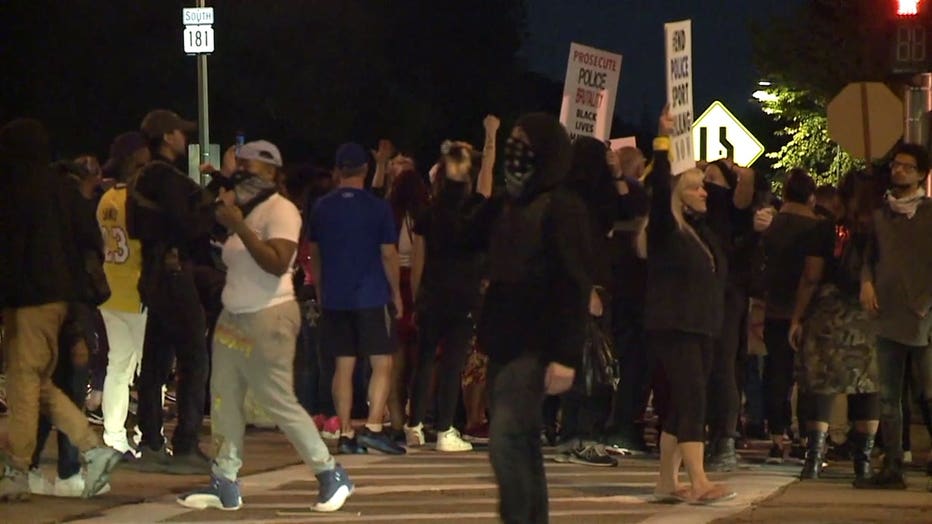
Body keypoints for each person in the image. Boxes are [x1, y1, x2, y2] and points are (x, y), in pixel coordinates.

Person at [178, 140, 353, 511]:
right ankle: (224, 480)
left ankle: (330, 473)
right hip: (233, 316)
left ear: (271, 171)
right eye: (237, 164)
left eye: (248, 166)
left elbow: (277, 262)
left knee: (277, 400)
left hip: (269, 315)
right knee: (224, 399)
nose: (240, 172)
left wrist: (240, 227)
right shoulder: (243, 208)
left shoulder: (281, 210)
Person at [473, 112, 591, 522]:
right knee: (520, 444)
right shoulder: (507, 202)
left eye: (524, 143)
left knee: (506, 440)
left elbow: (574, 284)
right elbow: (461, 235)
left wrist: (566, 355)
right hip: (505, 339)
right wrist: (457, 183)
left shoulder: (562, 206)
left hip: (536, 342)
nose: (515, 150)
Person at [0, 118, 121, 501]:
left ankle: (17, 471)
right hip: (58, 302)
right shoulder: (63, 191)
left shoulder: (14, 189)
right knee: (38, 384)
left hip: (26, 299)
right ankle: (94, 449)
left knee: (23, 384)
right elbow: (88, 241)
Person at [644, 109, 734, 504]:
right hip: (675, 324)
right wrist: (663, 140)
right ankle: (699, 481)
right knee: (693, 396)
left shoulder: (703, 233)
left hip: (703, 326)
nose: (704, 192)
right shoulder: (668, 227)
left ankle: (667, 480)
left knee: (684, 400)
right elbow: (660, 187)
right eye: (697, 188)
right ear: (679, 194)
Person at [405, 116, 499, 452]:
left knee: (426, 358)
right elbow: (487, 181)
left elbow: (418, 260)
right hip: (464, 295)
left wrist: (417, 297)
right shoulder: (474, 207)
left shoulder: (428, 213)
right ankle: (445, 429)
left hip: (433, 293)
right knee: (453, 361)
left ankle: (414, 424)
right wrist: (491, 138)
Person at [308, 143, 406, 455]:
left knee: (344, 365)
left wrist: (321, 290)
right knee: (381, 362)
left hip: (336, 297)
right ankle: (375, 426)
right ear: (365, 170)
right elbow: (388, 254)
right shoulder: (377, 207)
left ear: (339, 170)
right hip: (371, 295)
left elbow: (315, 253)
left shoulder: (322, 207)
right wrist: (397, 293)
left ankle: (347, 430)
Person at [130, 109, 213, 473]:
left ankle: (150, 442)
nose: (184, 138)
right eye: (180, 132)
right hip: (174, 273)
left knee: (156, 360)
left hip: (151, 272)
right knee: (194, 357)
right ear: (167, 137)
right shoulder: (167, 178)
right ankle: (186, 443)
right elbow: (187, 225)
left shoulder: (140, 178)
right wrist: (212, 210)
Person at [788, 171, 881, 481]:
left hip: (828, 314)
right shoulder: (882, 231)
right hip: (870, 316)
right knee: (866, 387)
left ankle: (814, 460)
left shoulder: (826, 230)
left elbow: (811, 276)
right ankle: (863, 463)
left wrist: (797, 317)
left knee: (822, 385)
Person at [856, 143, 932, 490]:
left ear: (920, 174)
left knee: (927, 392)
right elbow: (868, 256)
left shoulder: (929, 214)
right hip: (886, 312)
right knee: (888, 395)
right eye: (896, 165)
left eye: (907, 166)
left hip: (923, 315)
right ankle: (892, 466)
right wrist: (867, 282)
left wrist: (925, 303)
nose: (898, 171)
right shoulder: (880, 215)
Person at [97, 132, 151, 459]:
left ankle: (113, 435)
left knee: (117, 366)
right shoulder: (136, 197)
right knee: (150, 370)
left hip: (110, 288)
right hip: (136, 290)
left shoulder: (106, 199)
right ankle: (148, 434)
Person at [760, 168, 820, 464]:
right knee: (808, 376)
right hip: (809, 310)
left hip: (775, 307)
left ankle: (776, 436)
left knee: (777, 372)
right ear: (811, 196)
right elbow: (812, 275)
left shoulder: (773, 226)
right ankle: (807, 436)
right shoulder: (818, 227)